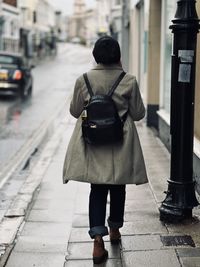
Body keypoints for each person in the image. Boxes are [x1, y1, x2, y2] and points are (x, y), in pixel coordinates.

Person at [63, 36, 148, 264]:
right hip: (121, 141)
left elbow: (74, 111)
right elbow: (139, 114)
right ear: (118, 55)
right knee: (118, 187)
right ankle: (115, 229)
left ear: (95, 55)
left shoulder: (84, 79)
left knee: (97, 189)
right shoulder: (128, 79)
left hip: (93, 142)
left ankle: (97, 241)